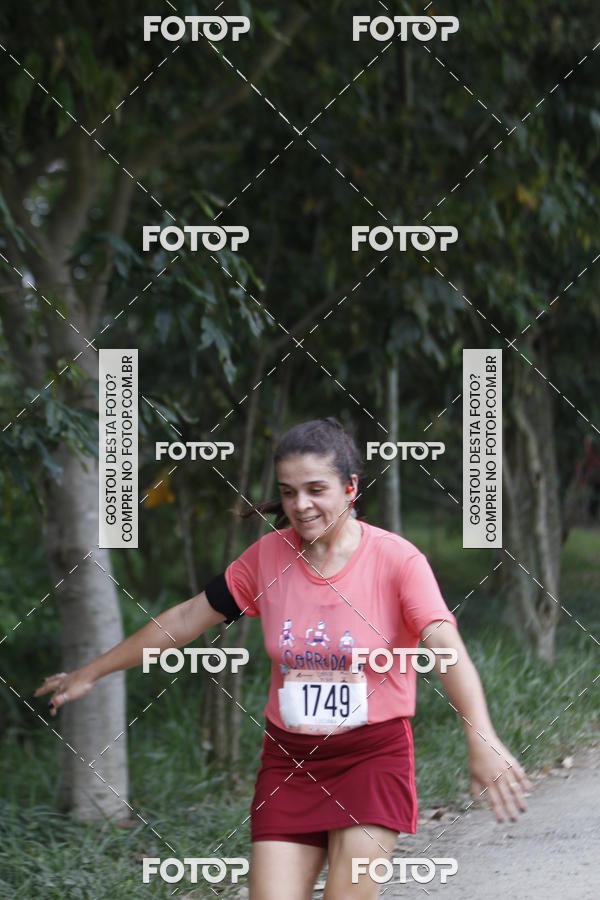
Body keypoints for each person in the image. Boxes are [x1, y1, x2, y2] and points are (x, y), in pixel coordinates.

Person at [35, 417, 531, 899]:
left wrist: (480, 738)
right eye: (288, 491)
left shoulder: (397, 561)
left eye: (316, 489)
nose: (300, 504)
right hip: (290, 763)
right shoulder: (267, 557)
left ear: (351, 487)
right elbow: (186, 618)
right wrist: (90, 672)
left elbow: (446, 649)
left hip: (372, 759)